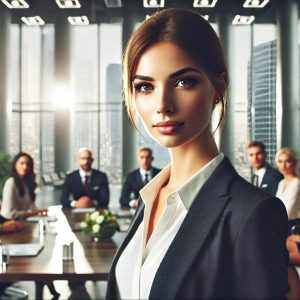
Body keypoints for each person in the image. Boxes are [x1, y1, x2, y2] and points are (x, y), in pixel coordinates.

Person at [106, 8, 289, 300]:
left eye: (183, 82)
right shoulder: (151, 197)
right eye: (145, 87)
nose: (162, 104)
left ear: (218, 86)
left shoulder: (252, 214)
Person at [1, 152, 48, 219]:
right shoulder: (10, 183)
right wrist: (34, 213)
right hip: (8, 224)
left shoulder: (26, 184)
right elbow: (10, 214)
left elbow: (32, 207)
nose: (25, 167)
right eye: (22, 163)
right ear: (15, 165)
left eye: (28, 164)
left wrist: (39, 211)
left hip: (21, 222)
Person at [275, 147, 300, 219]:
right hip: (282, 224)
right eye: (280, 161)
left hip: (293, 226)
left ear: (295, 163)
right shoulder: (281, 183)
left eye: (287, 161)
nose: (283, 165)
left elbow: (287, 212)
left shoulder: (297, 183)